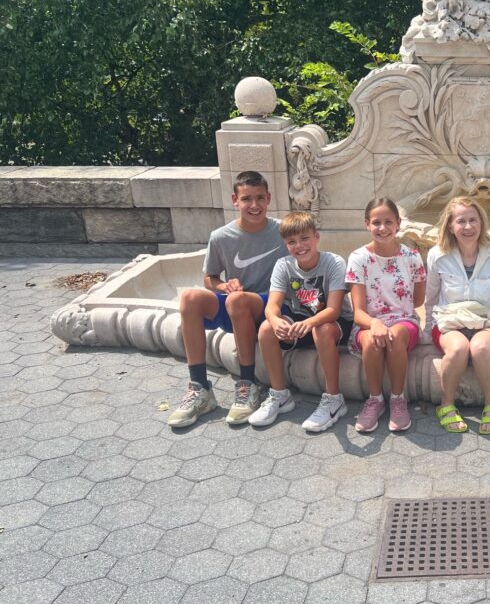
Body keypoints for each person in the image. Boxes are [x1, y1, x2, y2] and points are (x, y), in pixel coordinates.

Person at [168, 171, 286, 428]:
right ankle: (200, 388)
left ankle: (247, 385)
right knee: (189, 297)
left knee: (237, 301)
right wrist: (224, 284)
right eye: (246, 199)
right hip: (237, 305)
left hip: (270, 305)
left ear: (269, 198)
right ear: (235, 200)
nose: (254, 205)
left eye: (259, 198)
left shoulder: (283, 231)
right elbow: (209, 278)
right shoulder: (220, 237)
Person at [247, 211, 353, 432]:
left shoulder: (333, 262)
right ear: (286, 244)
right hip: (301, 322)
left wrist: (311, 323)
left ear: (316, 237)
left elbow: (333, 309)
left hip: (333, 322)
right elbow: (272, 306)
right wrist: (275, 321)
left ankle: (334, 399)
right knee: (266, 328)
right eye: (292, 241)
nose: (299, 246)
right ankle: (280, 395)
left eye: (305, 238)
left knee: (322, 330)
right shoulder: (283, 265)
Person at [425, 197, 490, 434]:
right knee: (458, 349)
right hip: (448, 321)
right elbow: (431, 296)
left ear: (482, 223)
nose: (468, 227)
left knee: (479, 349)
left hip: (487, 322)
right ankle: (447, 404)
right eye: (461, 221)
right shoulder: (438, 255)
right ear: (450, 226)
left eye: (473, 220)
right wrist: (427, 330)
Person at [346, 198, 426, 433]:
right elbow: (358, 312)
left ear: (398, 224)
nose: (382, 228)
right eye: (376, 222)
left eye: (388, 222)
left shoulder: (412, 257)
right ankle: (375, 399)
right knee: (372, 339)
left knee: (396, 334)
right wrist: (375, 323)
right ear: (367, 225)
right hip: (369, 324)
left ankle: (398, 399)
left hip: (404, 323)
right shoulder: (358, 258)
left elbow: (418, 302)